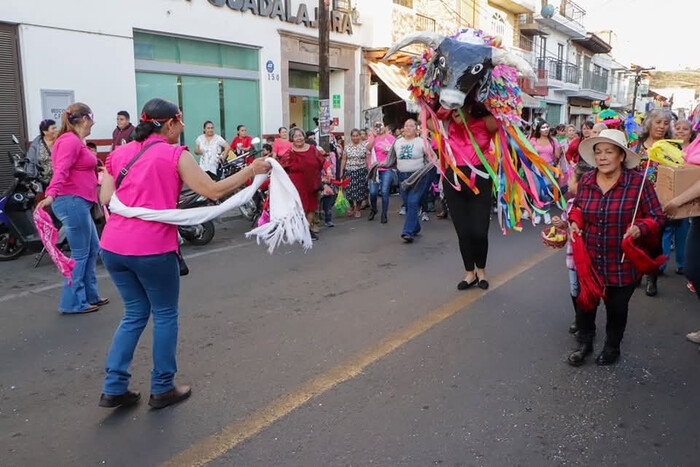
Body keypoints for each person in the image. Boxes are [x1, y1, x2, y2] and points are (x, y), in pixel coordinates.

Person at [96, 98, 271, 409]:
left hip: (112, 246)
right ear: (170, 124)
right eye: (181, 121)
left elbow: (107, 197)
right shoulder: (176, 154)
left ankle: (114, 385)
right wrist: (252, 169)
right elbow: (213, 191)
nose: (183, 127)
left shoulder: (119, 152)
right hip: (152, 248)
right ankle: (162, 387)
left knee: (134, 313)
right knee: (164, 314)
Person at [567, 129, 664, 366]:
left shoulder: (639, 183)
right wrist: (574, 222)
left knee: (617, 309)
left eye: (609, 152)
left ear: (621, 155)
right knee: (585, 305)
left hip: (622, 261)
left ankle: (612, 346)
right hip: (589, 258)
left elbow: (657, 217)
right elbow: (577, 208)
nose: (602, 157)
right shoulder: (588, 180)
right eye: (598, 152)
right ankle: (585, 343)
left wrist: (641, 227)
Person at [36, 103, 107, 314]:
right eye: (92, 117)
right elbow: (61, 171)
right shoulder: (69, 141)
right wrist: (51, 195)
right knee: (81, 253)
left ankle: (90, 295)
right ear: (85, 118)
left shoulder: (76, 141)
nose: (94, 121)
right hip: (71, 201)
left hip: (80, 201)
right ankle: (73, 302)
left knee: (93, 249)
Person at [432, 103, 498, 290]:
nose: (454, 113)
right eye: (451, 109)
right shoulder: (446, 126)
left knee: (479, 231)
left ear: (470, 106)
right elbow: (428, 114)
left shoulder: (486, 122)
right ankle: (470, 273)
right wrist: (443, 103)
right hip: (453, 184)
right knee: (463, 232)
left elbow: (505, 118)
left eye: (458, 107)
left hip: (480, 183)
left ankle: (481, 271)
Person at [551, 162, 594, 335]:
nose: (567, 181)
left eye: (571, 178)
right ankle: (579, 317)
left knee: (587, 292)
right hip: (572, 257)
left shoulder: (592, 205)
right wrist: (560, 224)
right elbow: (566, 226)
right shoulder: (569, 203)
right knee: (574, 288)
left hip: (589, 258)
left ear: (581, 183)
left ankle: (587, 325)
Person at [636, 109, 674, 297]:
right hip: (635, 200)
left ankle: (652, 277)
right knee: (634, 238)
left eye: (665, 123)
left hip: (659, 202)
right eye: (658, 122)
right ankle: (635, 274)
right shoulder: (636, 146)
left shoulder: (672, 148)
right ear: (649, 123)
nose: (661, 126)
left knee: (654, 241)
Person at [279, 127, 325, 240]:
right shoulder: (290, 153)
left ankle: (306, 229)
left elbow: (323, 161)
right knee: (301, 208)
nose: (299, 138)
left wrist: (327, 171)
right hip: (298, 185)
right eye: (296, 136)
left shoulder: (313, 149)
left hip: (312, 182)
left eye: (300, 135)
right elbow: (281, 168)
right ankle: (302, 230)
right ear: (292, 139)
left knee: (312, 207)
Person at [394, 119, 431, 243]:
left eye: (411, 125)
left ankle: (407, 232)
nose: (408, 128)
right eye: (406, 125)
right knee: (408, 202)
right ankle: (416, 227)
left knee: (413, 201)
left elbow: (432, 158)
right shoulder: (397, 142)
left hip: (418, 177)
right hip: (402, 178)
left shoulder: (422, 142)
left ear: (416, 129)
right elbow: (391, 159)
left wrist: (426, 170)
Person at [528, 119, 562, 225]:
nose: (546, 130)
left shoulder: (553, 141)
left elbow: (557, 156)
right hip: (536, 168)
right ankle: (537, 213)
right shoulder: (533, 140)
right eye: (543, 128)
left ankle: (546, 212)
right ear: (538, 129)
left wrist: (559, 151)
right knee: (537, 192)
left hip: (549, 167)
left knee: (545, 191)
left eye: (547, 127)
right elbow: (528, 154)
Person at [366, 121, 396, 223]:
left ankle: (384, 214)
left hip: (387, 168)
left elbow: (395, 150)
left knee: (384, 192)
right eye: (376, 126)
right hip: (374, 168)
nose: (379, 128)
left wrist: (389, 151)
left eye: (381, 125)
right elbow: (368, 149)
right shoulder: (371, 137)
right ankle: (373, 209)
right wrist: (374, 137)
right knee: (373, 192)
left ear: (385, 126)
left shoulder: (391, 138)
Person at [340, 129, 369, 218]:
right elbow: (344, 159)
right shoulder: (347, 147)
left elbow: (367, 159)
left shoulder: (364, 147)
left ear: (360, 136)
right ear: (351, 137)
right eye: (353, 136)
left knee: (360, 191)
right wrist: (341, 171)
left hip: (361, 171)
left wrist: (369, 170)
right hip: (349, 171)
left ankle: (358, 208)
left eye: (357, 135)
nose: (355, 137)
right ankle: (352, 206)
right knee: (349, 191)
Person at [26, 119, 58, 189]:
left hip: (59, 180)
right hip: (43, 181)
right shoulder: (36, 144)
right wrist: (30, 179)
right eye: (53, 128)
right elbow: (31, 162)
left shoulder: (60, 141)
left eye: (56, 128)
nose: (56, 130)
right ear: (45, 131)